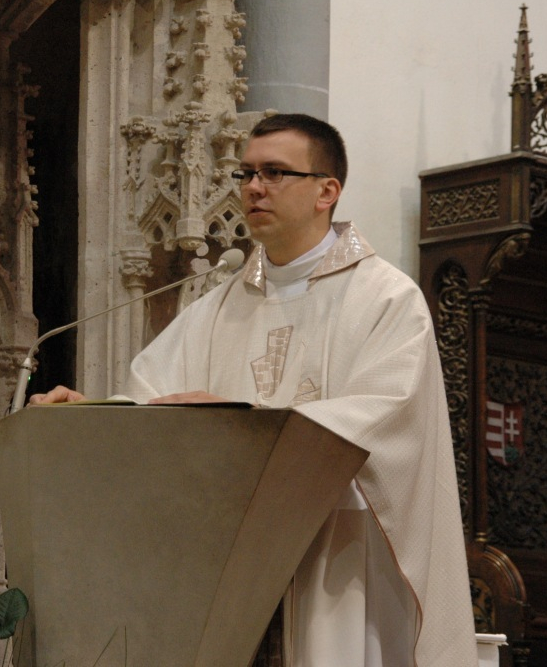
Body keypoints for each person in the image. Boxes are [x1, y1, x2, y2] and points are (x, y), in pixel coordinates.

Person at [30, 114, 477, 666]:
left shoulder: (386, 299)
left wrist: (242, 416)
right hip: (226, 558)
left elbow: (386, 414)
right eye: (245, 174)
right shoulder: (218, 306)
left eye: (274, 172)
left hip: (333, 554)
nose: (253, 188)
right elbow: (155, 402)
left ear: (327, 191)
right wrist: (92, 414)